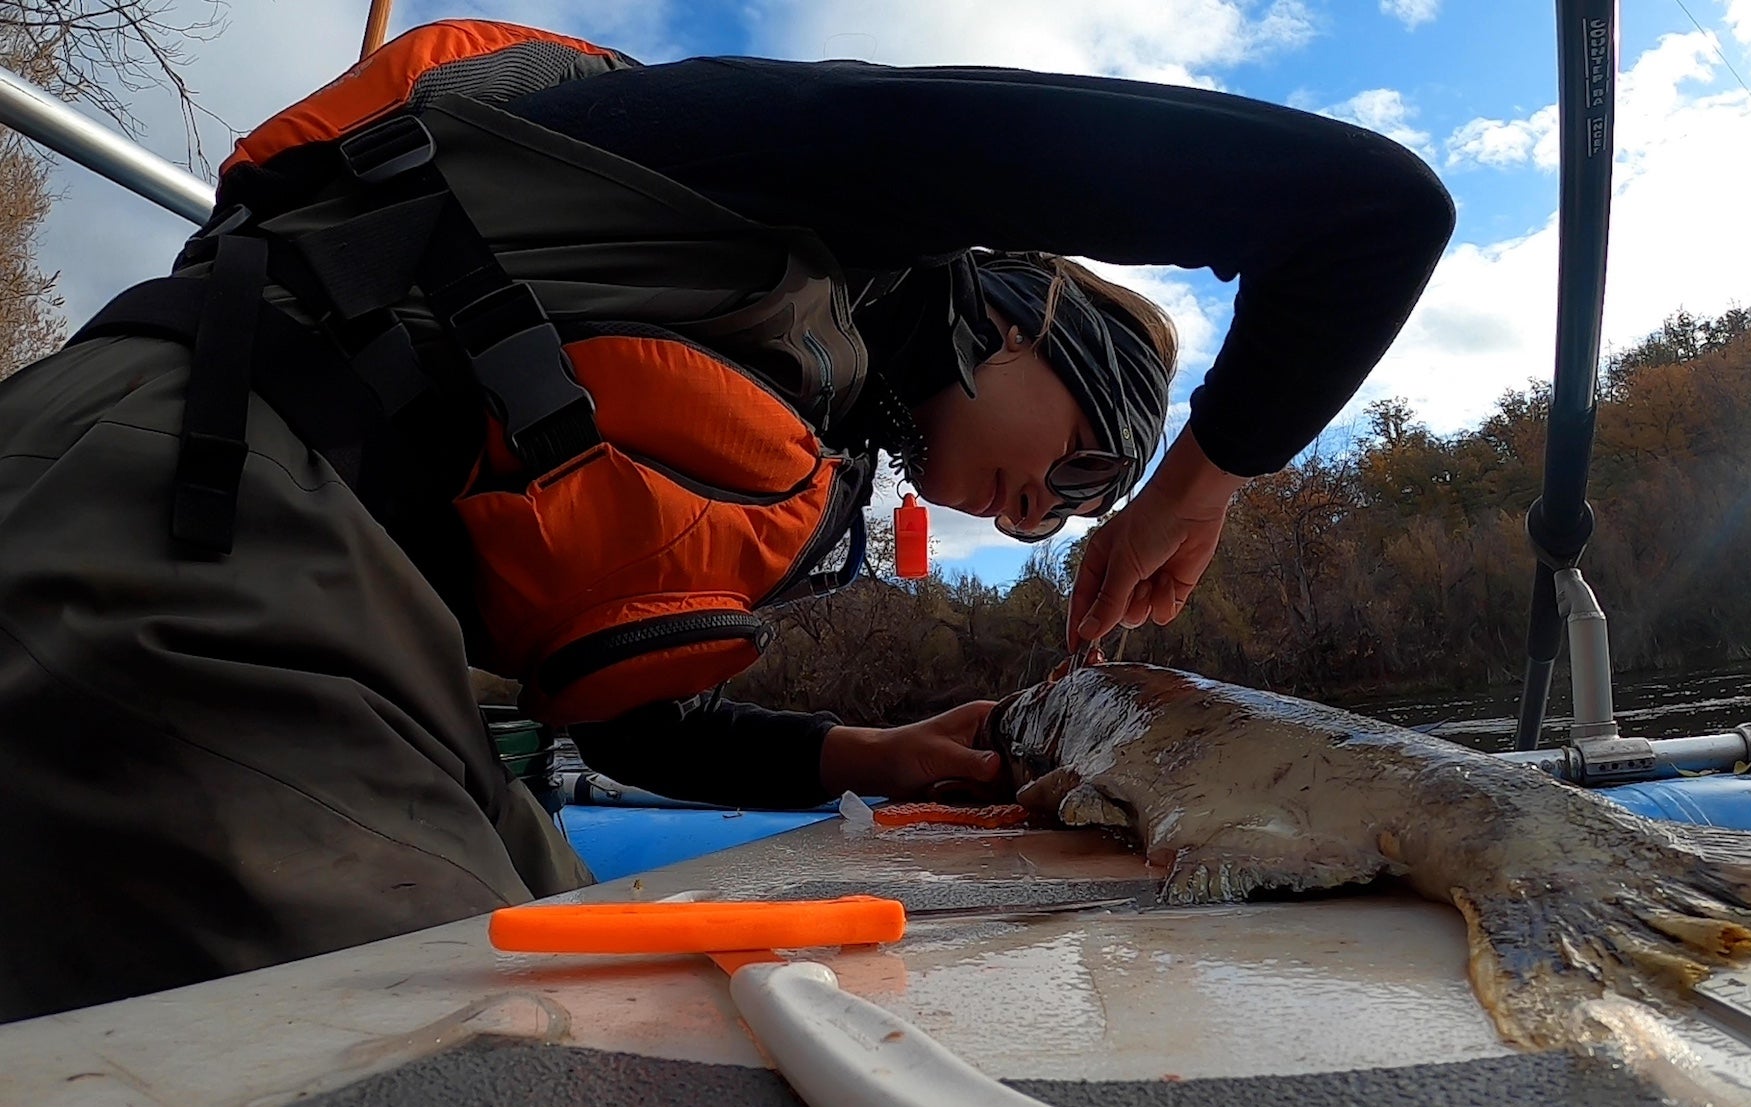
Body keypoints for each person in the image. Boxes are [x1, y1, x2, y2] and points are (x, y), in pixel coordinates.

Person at [0, 22, 1452, 1023]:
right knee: (477, 1054)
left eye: (1081, 508)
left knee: (632, 1003)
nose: (1052, 512)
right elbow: (1369, 212)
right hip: (184, 511)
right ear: (1024, 314)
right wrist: (1199, 481)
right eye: (1085, 461)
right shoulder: (806, 183)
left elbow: (616, 713)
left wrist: (864, 753)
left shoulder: (793, 404)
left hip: (350, 620)